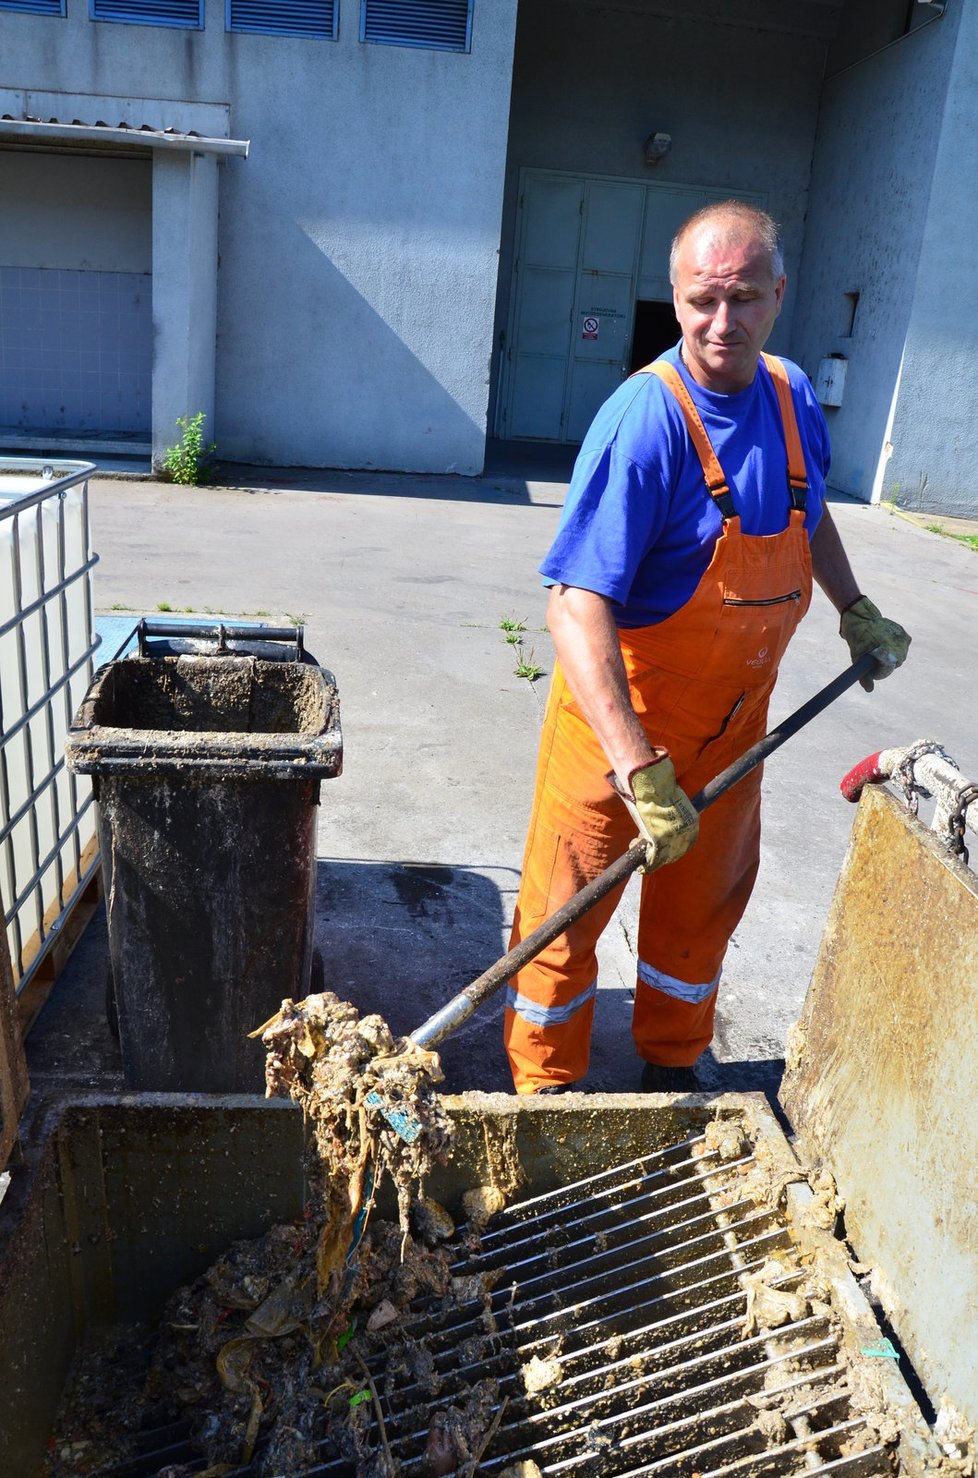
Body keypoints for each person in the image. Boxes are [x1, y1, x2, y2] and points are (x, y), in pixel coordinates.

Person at [503, 200, 910, 1095]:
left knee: (700, 918)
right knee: (562, 923)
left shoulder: (793, 395)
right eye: (701, 300)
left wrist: (856, 608)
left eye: (744, 300)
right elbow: (574, 606)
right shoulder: (643, 421)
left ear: (778, 296)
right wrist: (636, 768)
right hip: (621, 732)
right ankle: (542, 1096)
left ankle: (671, 1069)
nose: (721, 323)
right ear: (674, 297)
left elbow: (808, 518)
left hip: (733, 730)